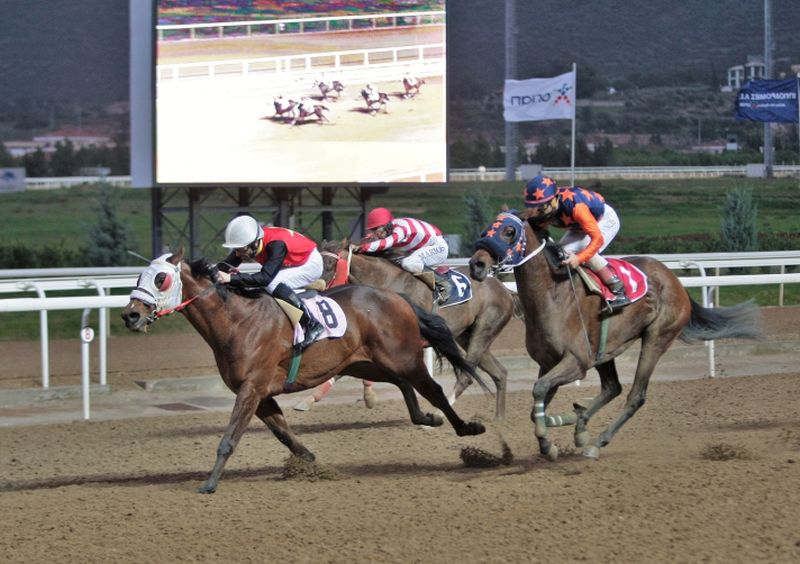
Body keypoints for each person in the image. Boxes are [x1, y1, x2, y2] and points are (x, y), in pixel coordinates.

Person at [521, 175, 630, 310]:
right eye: (532, 207)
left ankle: (617, 289)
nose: (536, 212)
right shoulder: (547, 207)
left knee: (584, 250)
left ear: (554, 201)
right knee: (560, 253)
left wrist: (579, 258)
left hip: (603, 220)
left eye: (540, 207)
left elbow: (597, 239)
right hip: (578, 227)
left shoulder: (576, 207)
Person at [216, 215, 324, 349]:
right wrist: (212, 273)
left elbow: (265, 278)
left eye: (241, 250)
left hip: (310, 263)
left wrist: (231, 279)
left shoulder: (276, 245)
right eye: (236, 250)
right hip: (293, 262)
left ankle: (312, 323)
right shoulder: (251, 241)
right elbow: (226, 265)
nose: (237, 254)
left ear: (255, 243)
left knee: (272, 283)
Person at [357, 207, 450, 300]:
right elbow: (372, 239)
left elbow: (386, 243)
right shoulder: (390, 227)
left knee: (408, 263)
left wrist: (361, 248)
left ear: (388, 226)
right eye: (373, 230)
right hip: (422, 247)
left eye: (377, 230)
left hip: (438, 247)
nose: (376, 234)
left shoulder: (400, 230)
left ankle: (443, 283)